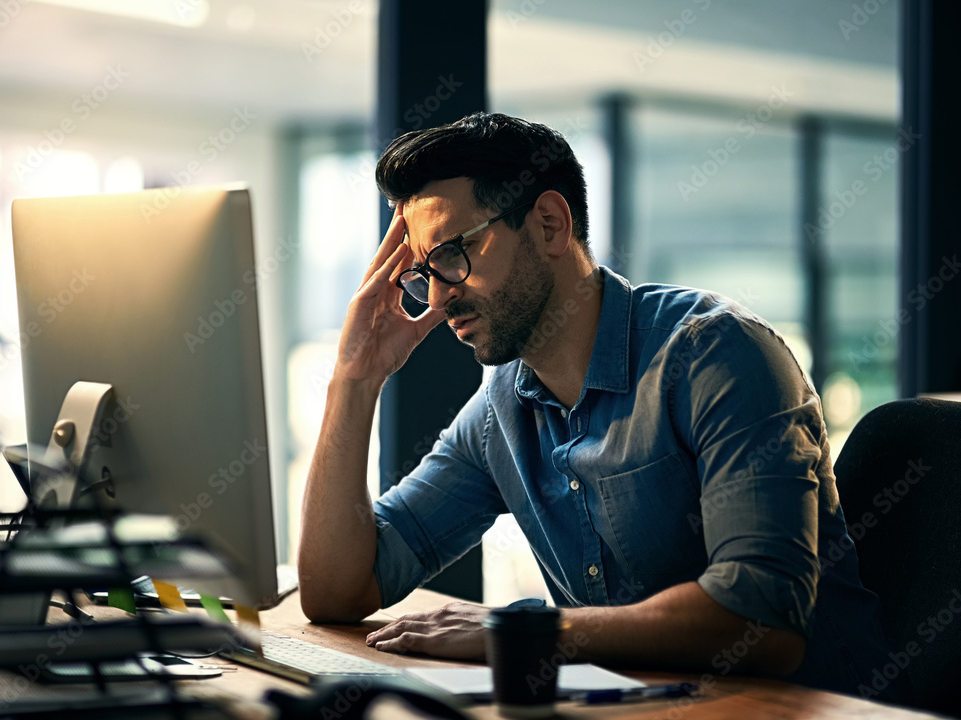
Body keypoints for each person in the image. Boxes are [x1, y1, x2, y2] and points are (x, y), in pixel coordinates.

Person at [297, 112, 905, 700]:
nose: (437, 297)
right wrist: (355, 377)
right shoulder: (500, 413)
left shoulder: (715, 356)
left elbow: (761, 613)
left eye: (453, 255)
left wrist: (525, 636)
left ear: (550, 224)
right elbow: (337, 591)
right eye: (423, 272)